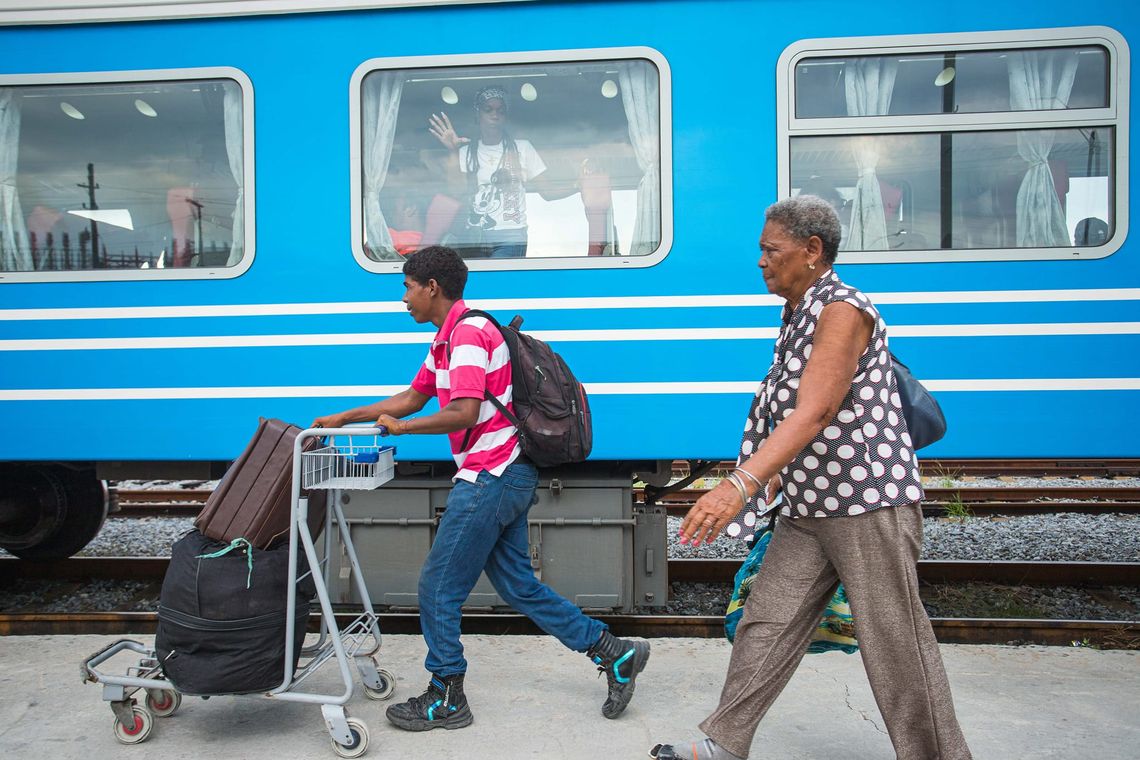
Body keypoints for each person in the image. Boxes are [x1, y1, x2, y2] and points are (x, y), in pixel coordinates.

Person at [650, 196, 972, 760]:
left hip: (866, 501)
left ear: (812, 250)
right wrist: (776, 475)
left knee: (895, 642)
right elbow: (791, 412)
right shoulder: (799, 311)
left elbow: (816, 410)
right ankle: (725, 742)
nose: (761, 261)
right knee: (766, 621)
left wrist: (741, 483)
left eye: (771, 250)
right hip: (808, 504)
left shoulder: (843, 309)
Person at [312, 245, 649, 732]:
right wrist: (345, 417)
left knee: (437, 587)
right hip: (504, 473)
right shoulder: (448, 338)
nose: (402, 297)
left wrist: (403, 431)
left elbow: (464, 412)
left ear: (432, 287)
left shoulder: (469, 334)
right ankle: (614, 652)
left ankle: (447, 695)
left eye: (407, 287)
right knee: (519, 586)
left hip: (490, 475)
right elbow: (412, 397)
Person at [427, 86, 580, 258]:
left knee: (497, 282)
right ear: (478, 115)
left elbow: (548, 192)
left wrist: (580, 184)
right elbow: (456, 191)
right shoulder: (466, 152)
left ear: (506, 116)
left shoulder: (522, 148)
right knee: (477, 284)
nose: (495, 114)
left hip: (511, 235)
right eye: (488, 109)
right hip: (473, 235)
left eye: (501, 110)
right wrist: (453, 151)